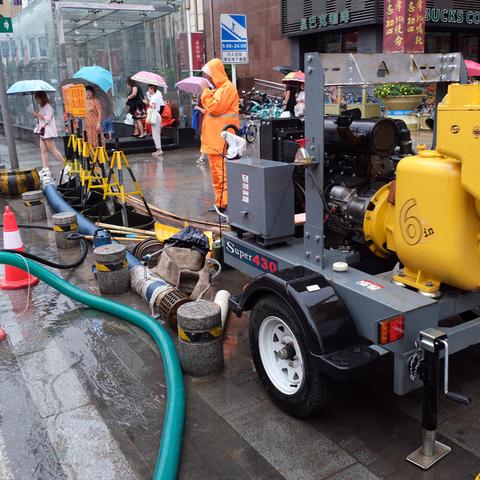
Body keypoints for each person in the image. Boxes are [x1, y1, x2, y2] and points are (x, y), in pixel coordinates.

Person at [201, 58, 239, 212]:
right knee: (216, 175)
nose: (207, 78)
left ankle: (226, 204)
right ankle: (220, 203)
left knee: (222, 174)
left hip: (221, 140)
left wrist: (205, 91)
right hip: (214, 140)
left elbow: (215, 108)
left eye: (208, 75)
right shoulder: (219, 89)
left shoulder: (227, 88)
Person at [32, 92, 64, 176]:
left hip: (48, 132)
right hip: (43, 132)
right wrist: (37, 116)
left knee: (52, 149)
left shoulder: (48, 106)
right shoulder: (42, 107)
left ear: (42, 98)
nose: (37, 100)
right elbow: (41, 120)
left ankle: (65, 165)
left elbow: (47, 118)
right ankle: (45, 168)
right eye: (36, 98)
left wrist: (38, 114)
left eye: (37, 98)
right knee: (43, 150)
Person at [144, 84, 164, 157]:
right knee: (156, 132)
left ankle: (158, 149)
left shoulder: (154, 97)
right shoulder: (156, 97)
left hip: (154, 114)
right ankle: (158, 149)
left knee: (155, 133)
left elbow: (152, 106)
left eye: (149, 89)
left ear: (152, 89)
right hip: (157, 114)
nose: (148, 90)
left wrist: (147, 103)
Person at [192, 97, 206, 164]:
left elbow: (208, 111)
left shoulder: (208, 96)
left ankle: (202, 157)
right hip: (202, 121)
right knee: (202, 139)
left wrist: (198, 108)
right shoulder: (202, 96)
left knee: (203, 139)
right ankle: (202, 157)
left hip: (206, 122)